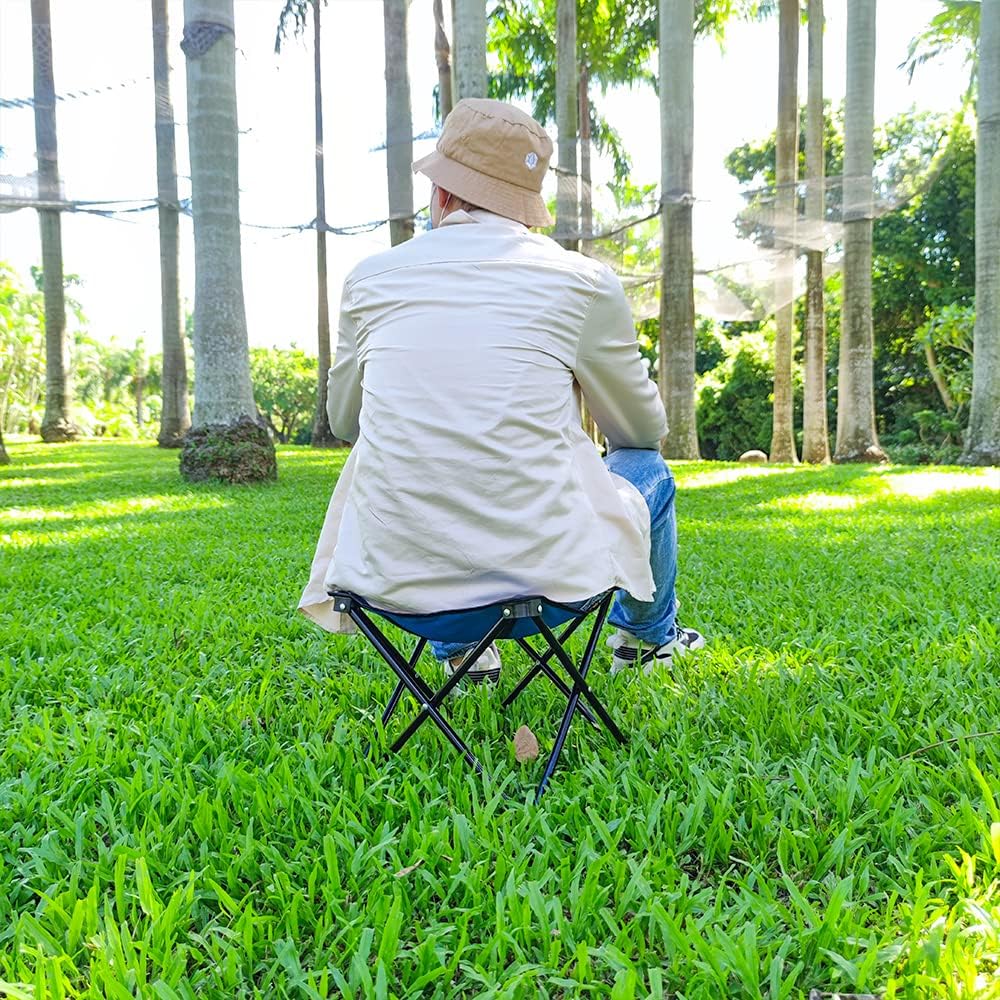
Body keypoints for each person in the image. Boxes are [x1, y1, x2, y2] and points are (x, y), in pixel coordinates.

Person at [299, 98, 704, 683]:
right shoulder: (583, 282)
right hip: (553, 581)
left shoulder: (370, 278)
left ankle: (465, 652)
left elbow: (345, 421)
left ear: (441, 193)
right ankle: (645, 642)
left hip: (394, 584)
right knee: (647, 468)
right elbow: (639, 433)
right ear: (525, 208)